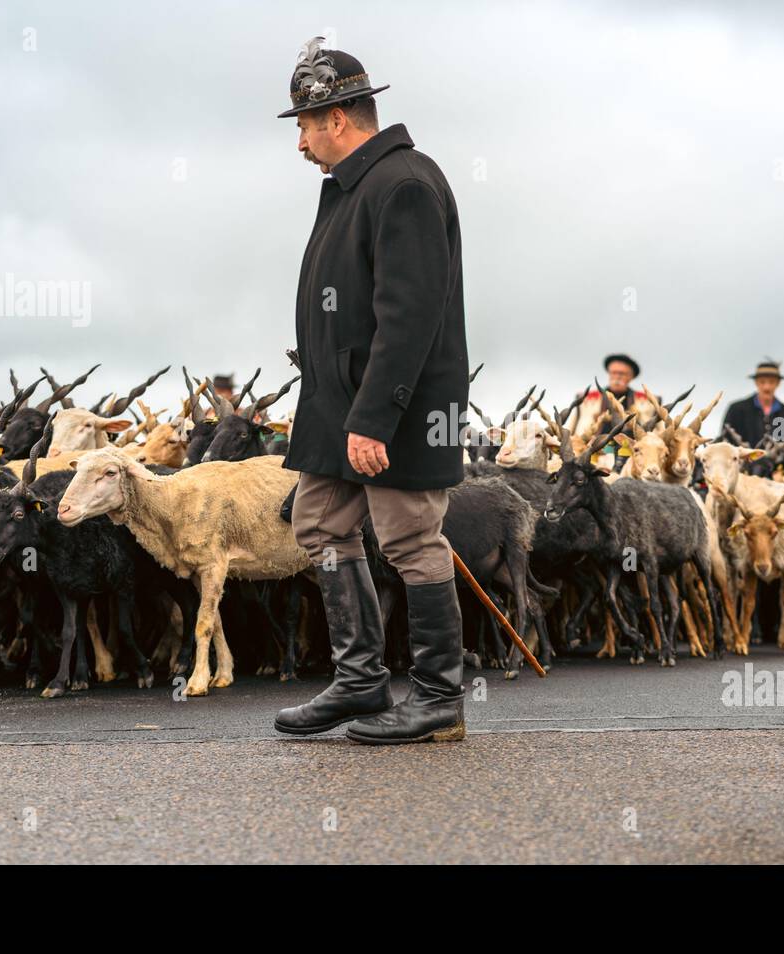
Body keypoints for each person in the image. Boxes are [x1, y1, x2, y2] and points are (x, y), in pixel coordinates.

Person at [272, 38, 469, 745]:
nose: (299, 141)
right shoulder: (354, 189)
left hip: (395, 408)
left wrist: (377, 418)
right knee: (320, 525)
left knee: (411, 538)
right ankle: (360, 683)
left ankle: (440, 699)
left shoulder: (403, 183)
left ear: (337, 117)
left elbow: (410, 315)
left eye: (302, 124)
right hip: (337, 405)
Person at [720, 359, 784, 452]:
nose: (766, 387)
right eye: (762, 382)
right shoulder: (737, 410)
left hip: (779, 465)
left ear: (778, 383)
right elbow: (724, 443)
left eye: (771, 382)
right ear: (756, 382)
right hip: (743, 464)